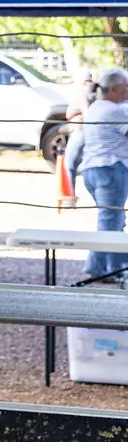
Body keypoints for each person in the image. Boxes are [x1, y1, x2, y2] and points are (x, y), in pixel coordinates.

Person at [76, 68, 128, 283]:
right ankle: (100, 269)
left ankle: (112, 268)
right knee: (110, 221)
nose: (127, 92)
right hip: (111, 168)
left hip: (93, 169)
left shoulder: (96, 107)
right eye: (125, 88)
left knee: (114, 220)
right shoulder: (114, 111)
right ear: (114, 89)